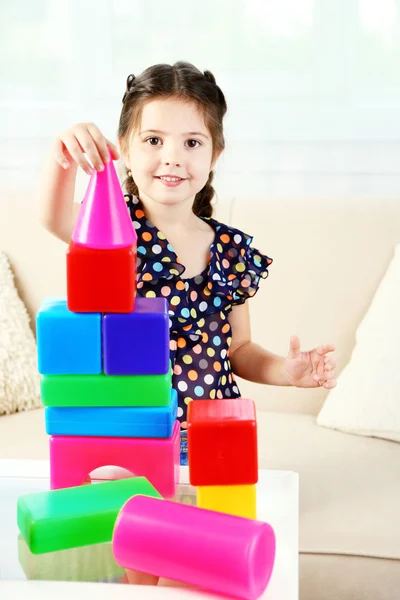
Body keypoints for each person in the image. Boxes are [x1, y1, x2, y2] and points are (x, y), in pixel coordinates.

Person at [39, 61, 337, 467]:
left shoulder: (230, 250)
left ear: (215, 153)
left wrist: (286, 371)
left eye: (192, 143)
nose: (173, 158)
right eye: (154, 140)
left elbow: (239, 350)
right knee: (130, 525)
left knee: (211, 526)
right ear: (124, 147)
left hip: (210, 438)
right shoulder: (111, 232)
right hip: (130, 436)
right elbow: (53, 218)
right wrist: (64, 152)